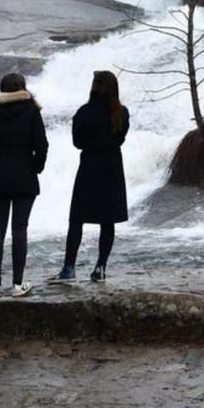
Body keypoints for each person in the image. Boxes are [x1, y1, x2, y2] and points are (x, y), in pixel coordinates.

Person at [53, 70, 129, 283]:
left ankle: (69, 268)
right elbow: (121, 139)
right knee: (108, 220)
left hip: (89, 166)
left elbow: (77, 142)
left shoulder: (84, 112)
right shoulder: (121, 113)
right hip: (112, 168)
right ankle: (100, 267)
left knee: (77, 219)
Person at [0, 72, 48, 298]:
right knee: (20, 229)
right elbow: (42, 145)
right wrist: (36, 167)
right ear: (23, 88)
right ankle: (18, 285)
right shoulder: (31, 112)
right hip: (24, 177)